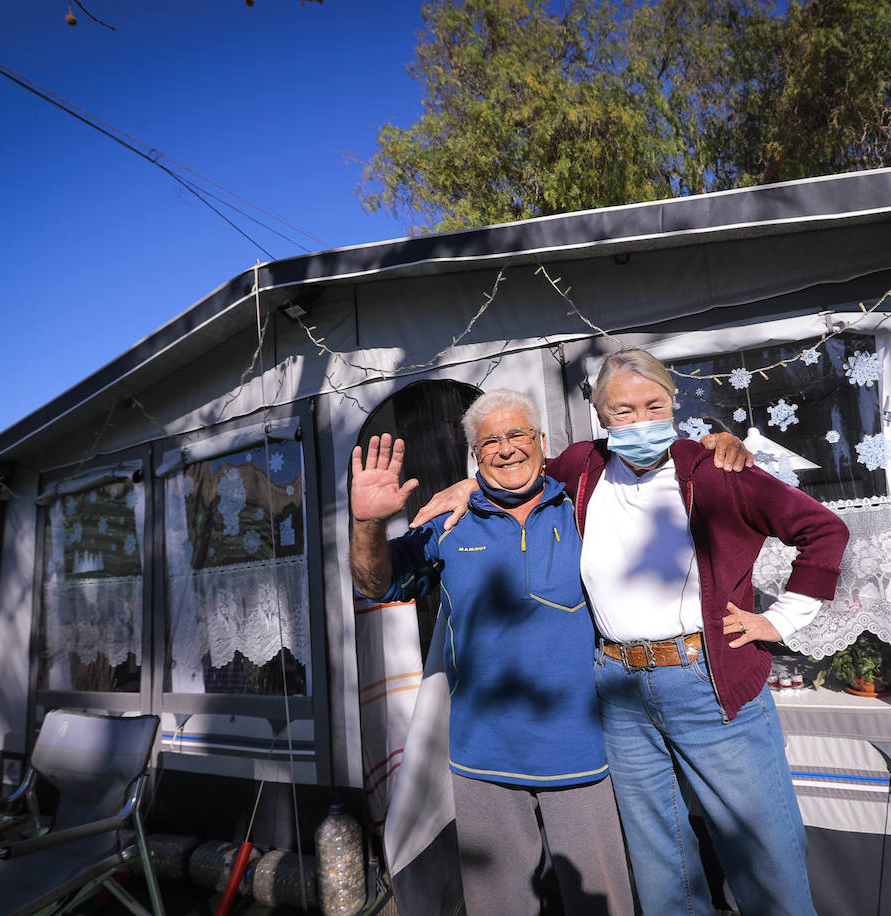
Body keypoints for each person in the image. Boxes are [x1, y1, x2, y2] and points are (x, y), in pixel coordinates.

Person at [418, 350, 850, 916]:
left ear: (674, 406)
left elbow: (824, 531)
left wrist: (781, 619)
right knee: (661, 868)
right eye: (623, 410)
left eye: (655, 406)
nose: (640, 421)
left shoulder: (716, 472)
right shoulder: (584, 467)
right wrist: (464, 488)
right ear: (601, 416)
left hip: (709, 685)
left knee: (765, 857)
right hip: (619, 692)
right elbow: (513, 463)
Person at [349, 389, 634, 916]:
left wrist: (713, 443)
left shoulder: (585, 505)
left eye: (518, 434)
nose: (506, 449)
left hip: (584, 752)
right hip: (482, 757)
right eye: (490, 442)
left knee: (602, 904)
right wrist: (367, 523)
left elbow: (653, 469)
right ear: (475, 457)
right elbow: (376, 585)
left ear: (542, 442)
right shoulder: (450, 521)